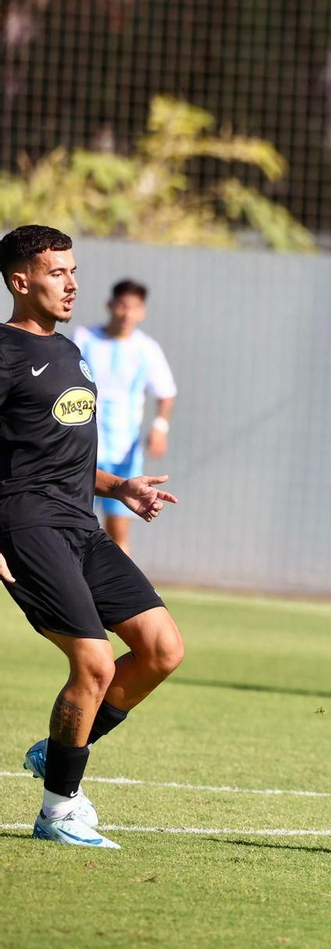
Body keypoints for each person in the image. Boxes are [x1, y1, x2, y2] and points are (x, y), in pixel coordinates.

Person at [0, 225, 185, 849]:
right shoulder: (3, 351)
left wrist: (118, 486)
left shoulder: (70, 352)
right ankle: (57, 811)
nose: (72, 283)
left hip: (81, 522)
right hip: (27, 526)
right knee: (95, 662)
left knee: (162, 649)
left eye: (74, 271)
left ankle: (57, 752)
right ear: (20, 281)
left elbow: (59, 455)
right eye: (57, 273)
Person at [73, 278, 177, 555]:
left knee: (117, 531)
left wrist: (160, 427)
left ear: (142, 311)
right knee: (74, 526)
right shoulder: (84, 339)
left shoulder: (147, 348)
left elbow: (166, 392)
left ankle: (118, 582)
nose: (127, 313)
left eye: (134, 307)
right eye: (122, 305)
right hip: (83, 449)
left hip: (123, 452)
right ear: (110, 305)